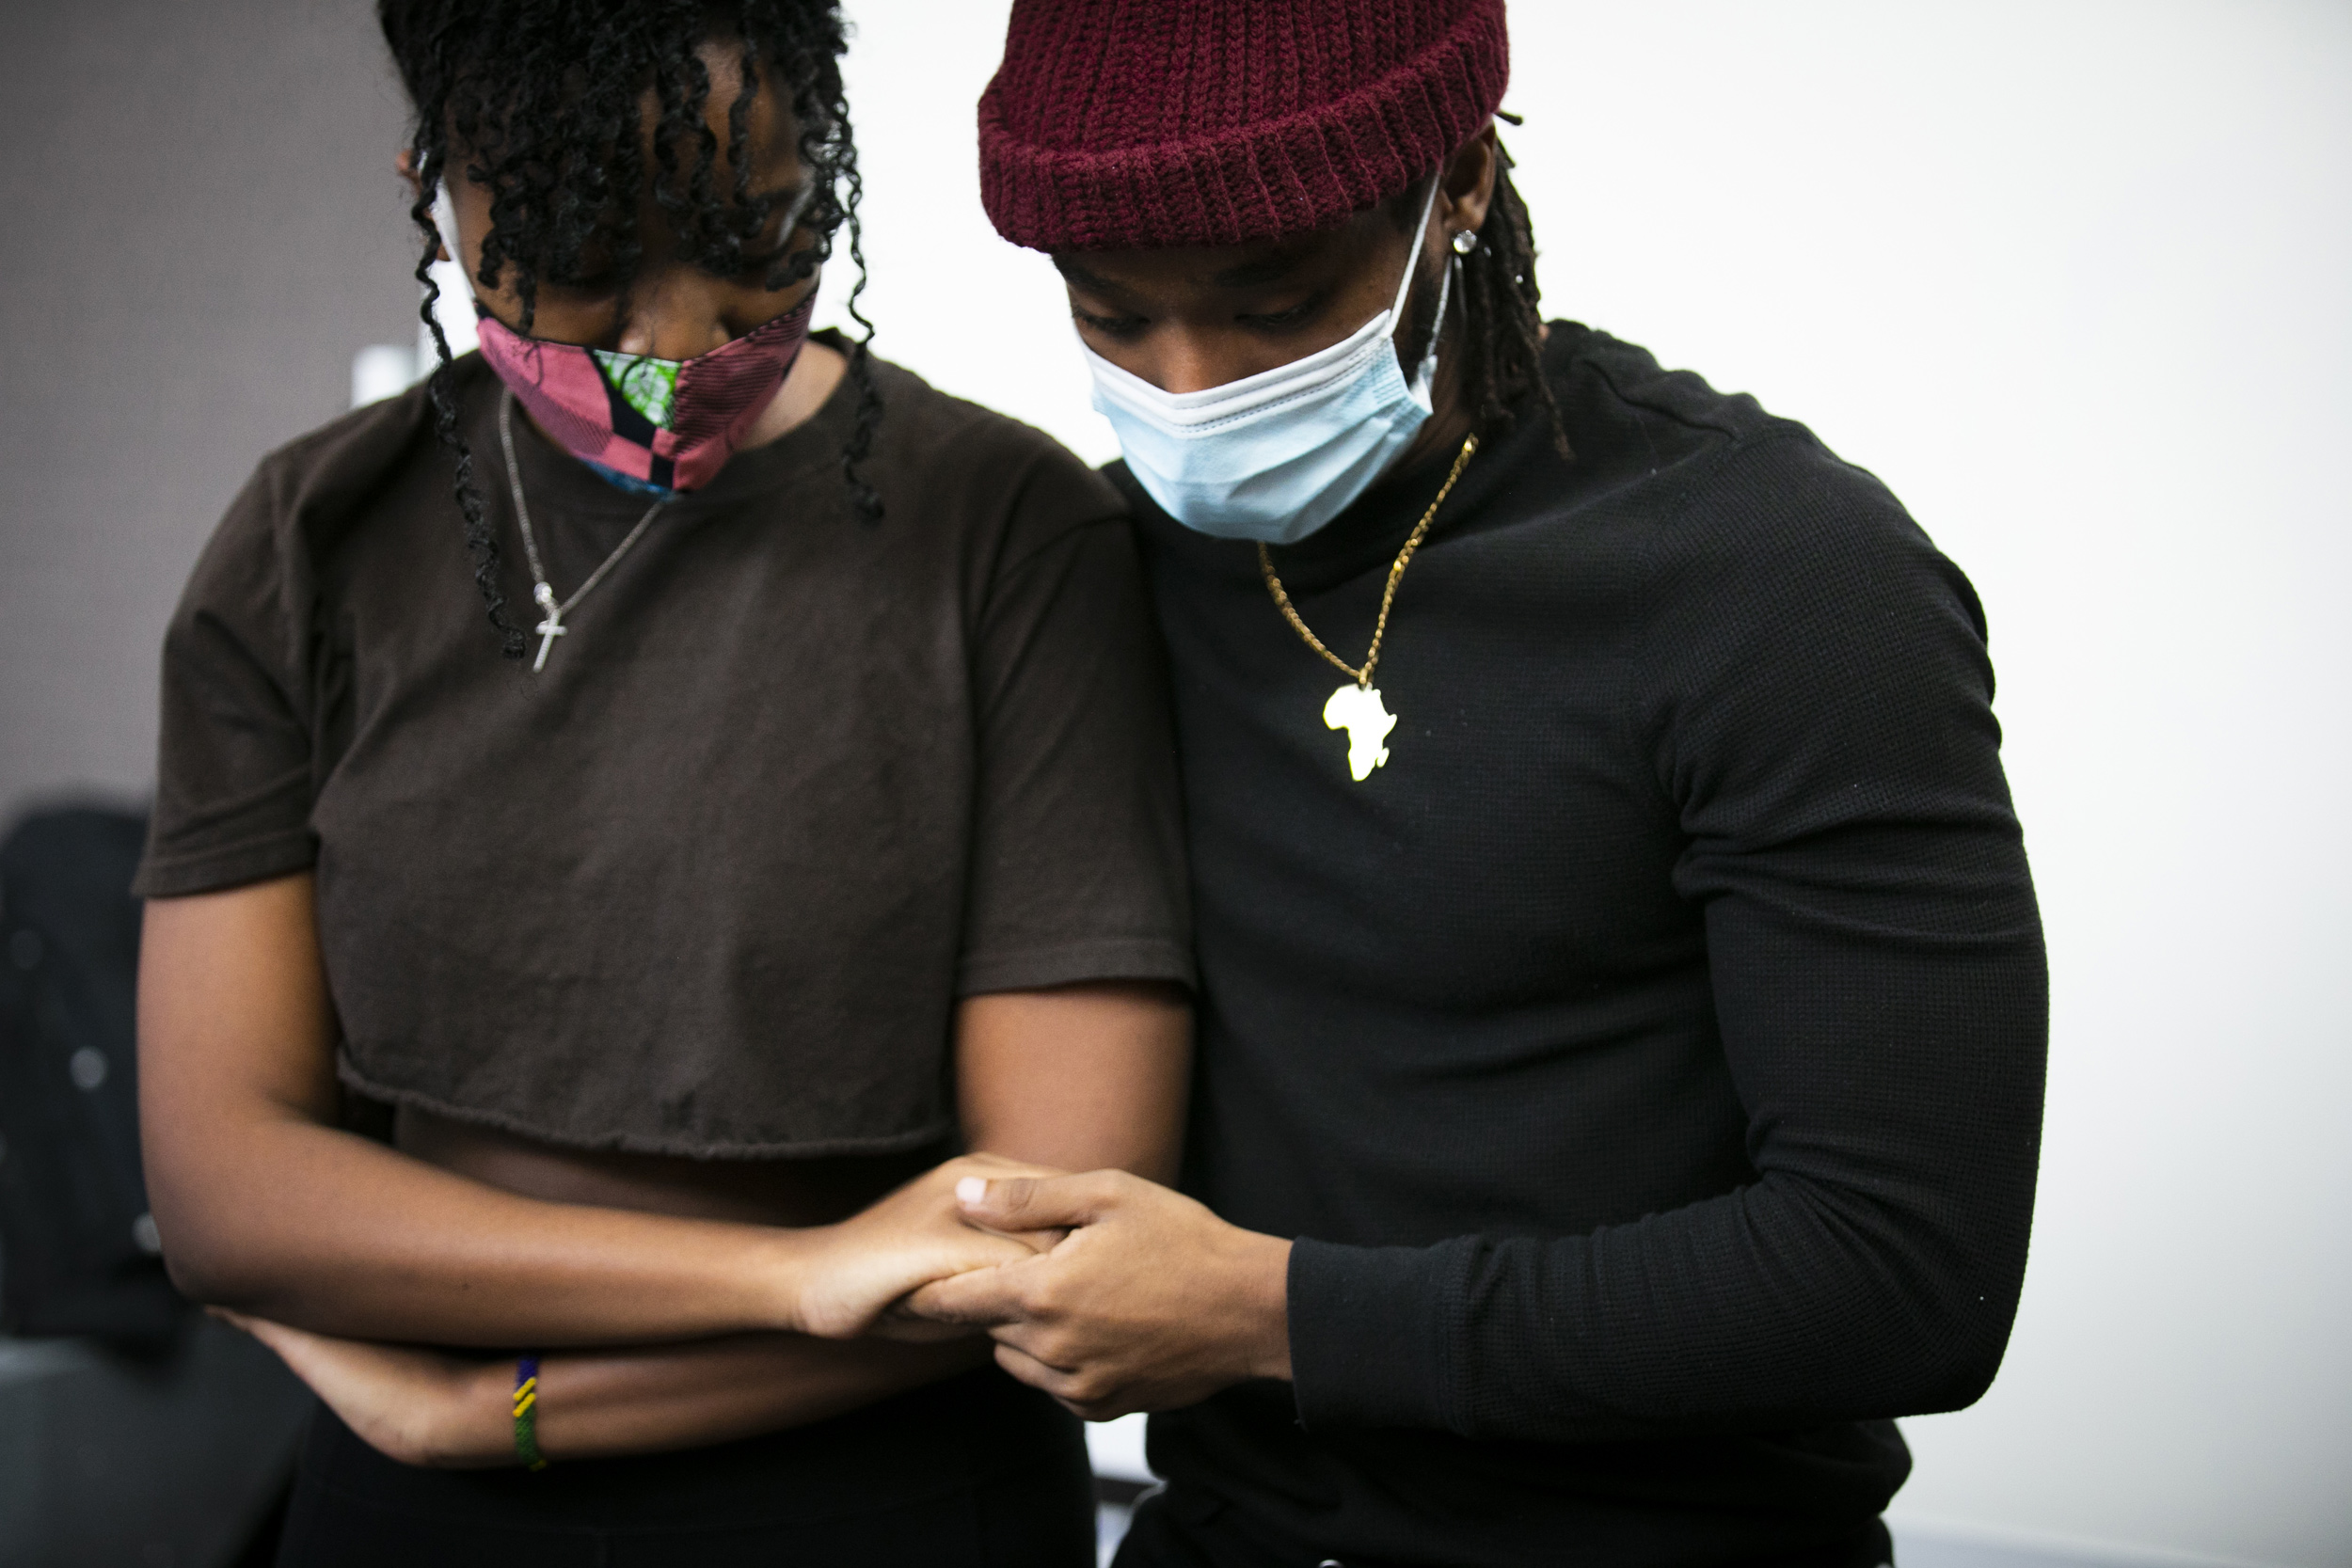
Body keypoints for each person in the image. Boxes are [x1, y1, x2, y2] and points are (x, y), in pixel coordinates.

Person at [907, 3, 2050, 1565]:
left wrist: (1274, 1314)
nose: (1189, 387)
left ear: (1456, 184)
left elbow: (1907, 1275)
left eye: (1277, 305)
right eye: (1111, 319)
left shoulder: (1781, 580)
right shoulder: (1094, 573)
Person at [131, 3, 1193, 1562]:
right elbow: (227, 1197)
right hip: (417, 1526)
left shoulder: (1007, 531)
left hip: (895, 1508)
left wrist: (495, 1403)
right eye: (583, 259)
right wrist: (793, 1275)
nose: (679, 343)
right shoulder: (312, 541)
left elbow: (1056, 1226)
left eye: (753, 234)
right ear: (440, 183)